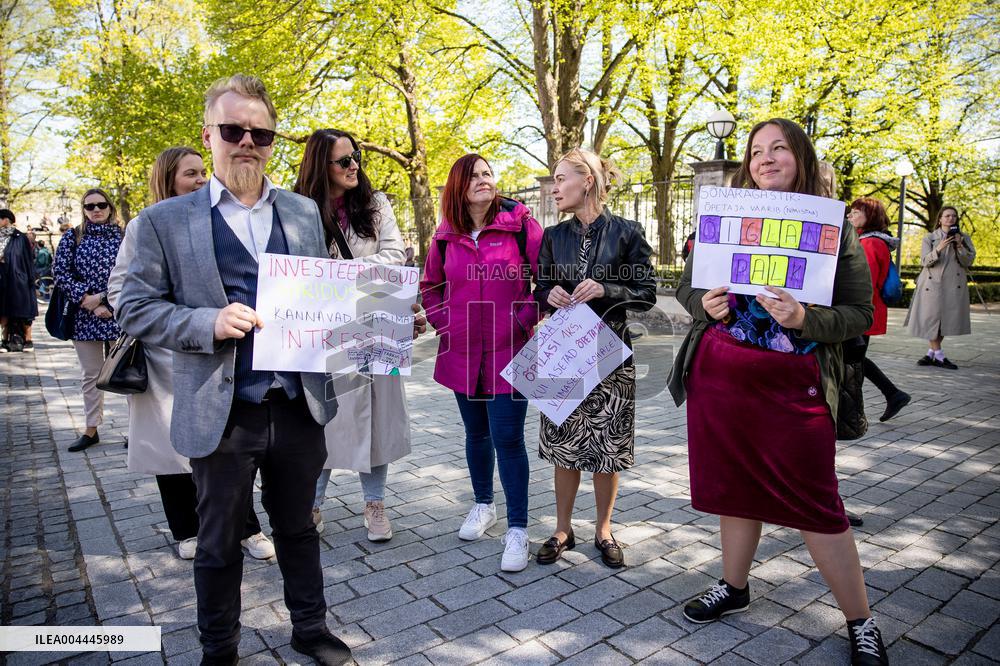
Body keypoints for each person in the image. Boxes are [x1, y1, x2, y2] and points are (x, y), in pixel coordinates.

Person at [117, 75, 351, 666]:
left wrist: (375, 324)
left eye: (261, 132)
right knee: (218, 541)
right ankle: (219, 647)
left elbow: (321, 298)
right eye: (233, 130)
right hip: (220, 411)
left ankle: (310, 629)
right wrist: (207, 323)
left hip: (299, 403)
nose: (248, 141)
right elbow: (134, 307)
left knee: (298, 529)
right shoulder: (163, 222)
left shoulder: (302, 212)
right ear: (208, 135)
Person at [668, 118, 887, 666]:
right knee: (733, 488)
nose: (766, 158)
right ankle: (735, 588)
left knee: (817, 503)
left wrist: (805, 317)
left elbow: (860, 314)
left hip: (794, 385)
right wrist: (704, 306)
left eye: (779, 148)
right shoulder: (723, 216)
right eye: (757, 150)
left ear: (801, 158)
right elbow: (687, 289)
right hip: (720, 381)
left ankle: (861, 620)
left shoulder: (835, 227)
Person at [107, 147, 275, 562]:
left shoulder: (214, 221)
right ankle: (186, 528)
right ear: (168, 179)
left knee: (225, 450)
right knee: (172, 449)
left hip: (215, 359)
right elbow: (123, 295)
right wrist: (182, 321)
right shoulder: (146, 225)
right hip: (165, 361)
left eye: (203, 172)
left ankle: (246, 527)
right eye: (190, 174)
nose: (200, 179)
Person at [532, 148, 656, 569]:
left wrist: (607, 290)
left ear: (587, 180)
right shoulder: (553, 236)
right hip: (563, 349)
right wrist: (546, 294)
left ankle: (604, 529)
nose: (554, 188)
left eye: (561, 178)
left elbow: (647, 293)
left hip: (611, 352)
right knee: (564, 443)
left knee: (608, 444)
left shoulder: (628, 232)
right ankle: (563, 529)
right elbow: (540, 286)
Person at [420, 153, 543, 572]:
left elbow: (544, 279)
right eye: (474, 175)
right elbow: (430, 286)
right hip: (461, 351)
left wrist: (522, 318)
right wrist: (444, 325)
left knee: (508, 438)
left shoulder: (521, 224)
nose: (484, 179)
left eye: (488, 172)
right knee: (476, 434)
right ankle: (483, 505)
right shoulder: (444, 234)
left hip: (510, 350)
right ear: (458, 185)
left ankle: (518, 529)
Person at [293, 128, 411, 542]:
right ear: (320, 166)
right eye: (343, 161)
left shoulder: (375, 204)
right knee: (319, 421)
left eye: (355, 156)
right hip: (320, 333)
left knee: (375, 420)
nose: (354, 165)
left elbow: (396, 254)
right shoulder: (297, 210)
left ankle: (375, 505)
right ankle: (312, 505)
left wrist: (341, 275)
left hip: (374, 326)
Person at [51, 190, 123, 450]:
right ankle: (91, 429)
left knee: (126, 372)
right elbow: (60, 272)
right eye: (89, 206)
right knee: (91, 375)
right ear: (83, 209)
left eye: (101, 204)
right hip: (84, 315)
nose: (96, 210)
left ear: (109, 206)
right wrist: (89, 303)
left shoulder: (123, 235)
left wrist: (105, 300)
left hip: (120, 312)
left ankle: (137, 430)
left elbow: (134, 273)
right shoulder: (73, 236)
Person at [847, 198, 911, 421]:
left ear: (870, 216)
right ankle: (893, 395)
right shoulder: (867, 240)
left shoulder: (871, 243)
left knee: (852, 360)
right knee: (855, 359)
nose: (850, 216)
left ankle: (856, 411)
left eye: (856, 212)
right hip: (865, 310)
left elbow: (863, 282)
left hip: (861, 311)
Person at [905, 206, 975, 369]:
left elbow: (968, 262)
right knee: (932, 319)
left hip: (953, 286)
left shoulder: (963, 238)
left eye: (954, 216)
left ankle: (931, 353)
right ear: (940, 219)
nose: (950, 219)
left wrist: (959, 245)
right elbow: (925, 261)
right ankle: (940, 356)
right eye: (947, 216)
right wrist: (940, 247)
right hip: (931, 285)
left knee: (944, 320)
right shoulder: (929, 238)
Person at [1, 209, 39, 353]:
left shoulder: (19, 237)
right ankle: (4, 340)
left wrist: (30, 279)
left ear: (6, 220)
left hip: (19, 279)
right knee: (3, 311)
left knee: (23, 311)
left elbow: (27, 259)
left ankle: (28, 340)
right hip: (2, 279)